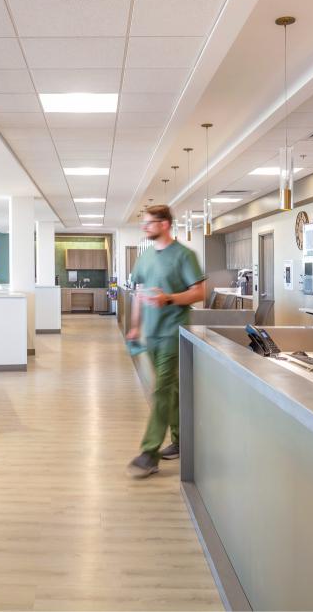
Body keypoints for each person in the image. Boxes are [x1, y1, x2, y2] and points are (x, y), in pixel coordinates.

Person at [126, 205, 206, 479]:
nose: (144, 227)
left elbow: (199, 292)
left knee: (160, 390)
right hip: (152, 333)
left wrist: (169, 298)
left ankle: (149, 453)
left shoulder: (184, 255)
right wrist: (135, 326)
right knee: (169, 391)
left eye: (148, 223)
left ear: (164, 224)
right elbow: (138, 293)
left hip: (174, 332)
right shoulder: (146, 257)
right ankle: (183, 439)